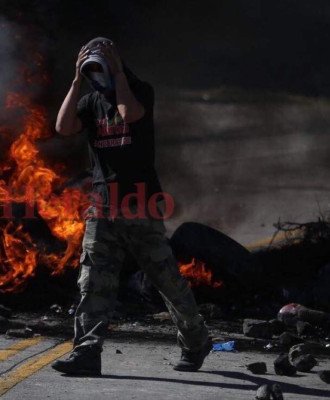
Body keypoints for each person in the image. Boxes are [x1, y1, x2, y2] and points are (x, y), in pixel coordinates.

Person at [51, 37, 211, 376]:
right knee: (93, 282)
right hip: (101, 206)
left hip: (140, 205)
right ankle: (87, 352)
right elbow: (63, 127)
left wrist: (119, 74)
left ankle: (196, 340)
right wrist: (76, 81)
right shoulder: (90, 100)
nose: (96, 76)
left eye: (98, 68)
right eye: (90, 70)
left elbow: (129, 114)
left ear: (114, 65)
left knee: (166, 280)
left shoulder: (138, 91)